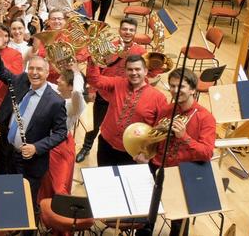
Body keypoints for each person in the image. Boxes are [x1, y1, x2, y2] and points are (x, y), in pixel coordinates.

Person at [0, 29, 68, 207]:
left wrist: (37, 147)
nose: (34, 73)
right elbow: (0, 70)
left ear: (47, 73)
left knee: (24, 205)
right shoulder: (21, 80)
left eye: (39, 69)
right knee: (3, 198)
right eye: (31, 68)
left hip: (30, 162)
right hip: (6, 153)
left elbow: (61, 132)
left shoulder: (55, 101)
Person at [137, 69, 216, 236]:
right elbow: (155, 139)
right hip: (157, 167)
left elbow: (207, 153)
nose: (175, 90)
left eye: (181, 86)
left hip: (181, 175)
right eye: (172, 86)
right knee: (145, 218)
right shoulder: (167, 109)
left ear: (193, 89)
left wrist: (184, 137)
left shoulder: (205, 117)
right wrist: (146, 153)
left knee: (178, 226)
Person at [76, 17, 147, 163]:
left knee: (120, 126)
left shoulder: (141, 51)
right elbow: (97, 67)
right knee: (95, 123)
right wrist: (92, 90)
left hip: (125, 97)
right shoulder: (109, 46)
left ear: (135, 32)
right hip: (104, 93)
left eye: (131, 30)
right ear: (119, 30)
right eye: (125, 29)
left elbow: (146, 73)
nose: (127, 32)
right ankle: (86, 147)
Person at [85, 54, 167, 166]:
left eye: (137, 69)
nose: (134, 73)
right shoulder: (117, 83)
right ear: (126, 71)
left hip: (133, 152)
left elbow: (161, 130)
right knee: (104, 174)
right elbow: (94, 80)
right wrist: (93, 59)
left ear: (145, 71)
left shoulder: (159, 98)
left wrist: (148, 153)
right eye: (130, 69)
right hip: (106, 144)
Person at [38, 66, 86, 202]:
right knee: (44, 181)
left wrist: (77, 72)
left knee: (59, 185)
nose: (58, 80)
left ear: (70, 86)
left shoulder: (76, 104)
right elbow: (42, 81)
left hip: (61, 145)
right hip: (45, 140)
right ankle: (43, 210)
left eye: (62, 79)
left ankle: (59, 213)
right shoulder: (55, 91)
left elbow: (77, 91)